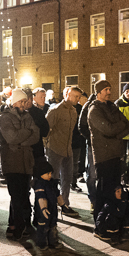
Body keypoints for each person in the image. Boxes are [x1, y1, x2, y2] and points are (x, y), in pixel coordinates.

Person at [0, 88, 40, 239]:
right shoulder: (4, 117)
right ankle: (19, 228)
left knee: (23, 195)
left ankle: (15, 225)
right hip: (11, 161)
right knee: (16, 196)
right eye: (22, 101)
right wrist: (26, 133)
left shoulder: (28, 116)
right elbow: (11, 137)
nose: (24, 104)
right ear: (14, 101)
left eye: (25, 101)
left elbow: (35, 135)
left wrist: (21, 141)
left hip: (25, 161)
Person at [87, 80, 129, 215]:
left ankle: (113, 219)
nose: (109, 92)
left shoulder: (112, 107)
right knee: (103, 190)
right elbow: (109, 129)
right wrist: (117, 129)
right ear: (98, 92)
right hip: (104, 156)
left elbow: (128, 125)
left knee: (116, 189)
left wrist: (116, 136)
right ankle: (100, 220)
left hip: (116, 153)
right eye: (106, 89)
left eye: (109, 89)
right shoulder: (94, 110)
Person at [46, 86, 80, 217]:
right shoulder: (55, 110)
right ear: (67, 94)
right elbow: (46, 130)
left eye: (78, 97)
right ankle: (51, 204)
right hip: (55, 149)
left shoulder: (73, 111)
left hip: (68, 150)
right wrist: (47, 147)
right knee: (53, 179)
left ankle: (65, 203)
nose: (77, 99)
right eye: (75, 96)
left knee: (67, 178)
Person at [31, 158, 62, 248]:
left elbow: (57, 194)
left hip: (52, 208)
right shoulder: (39, 185)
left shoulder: (51, 183)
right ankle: (42, 243)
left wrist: (63, 204)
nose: (50, 175)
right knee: (43, 226)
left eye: (50, 173)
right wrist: (43, 208)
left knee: (53, 226)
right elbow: (41, 197)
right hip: (42, 211)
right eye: (47, 173)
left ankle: (53, 242)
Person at [72, 91, 88, 192]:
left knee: (79, 159)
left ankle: (76, 178)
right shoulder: (73, 108)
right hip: (71, 139)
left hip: (81, 138)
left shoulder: (83, 109)